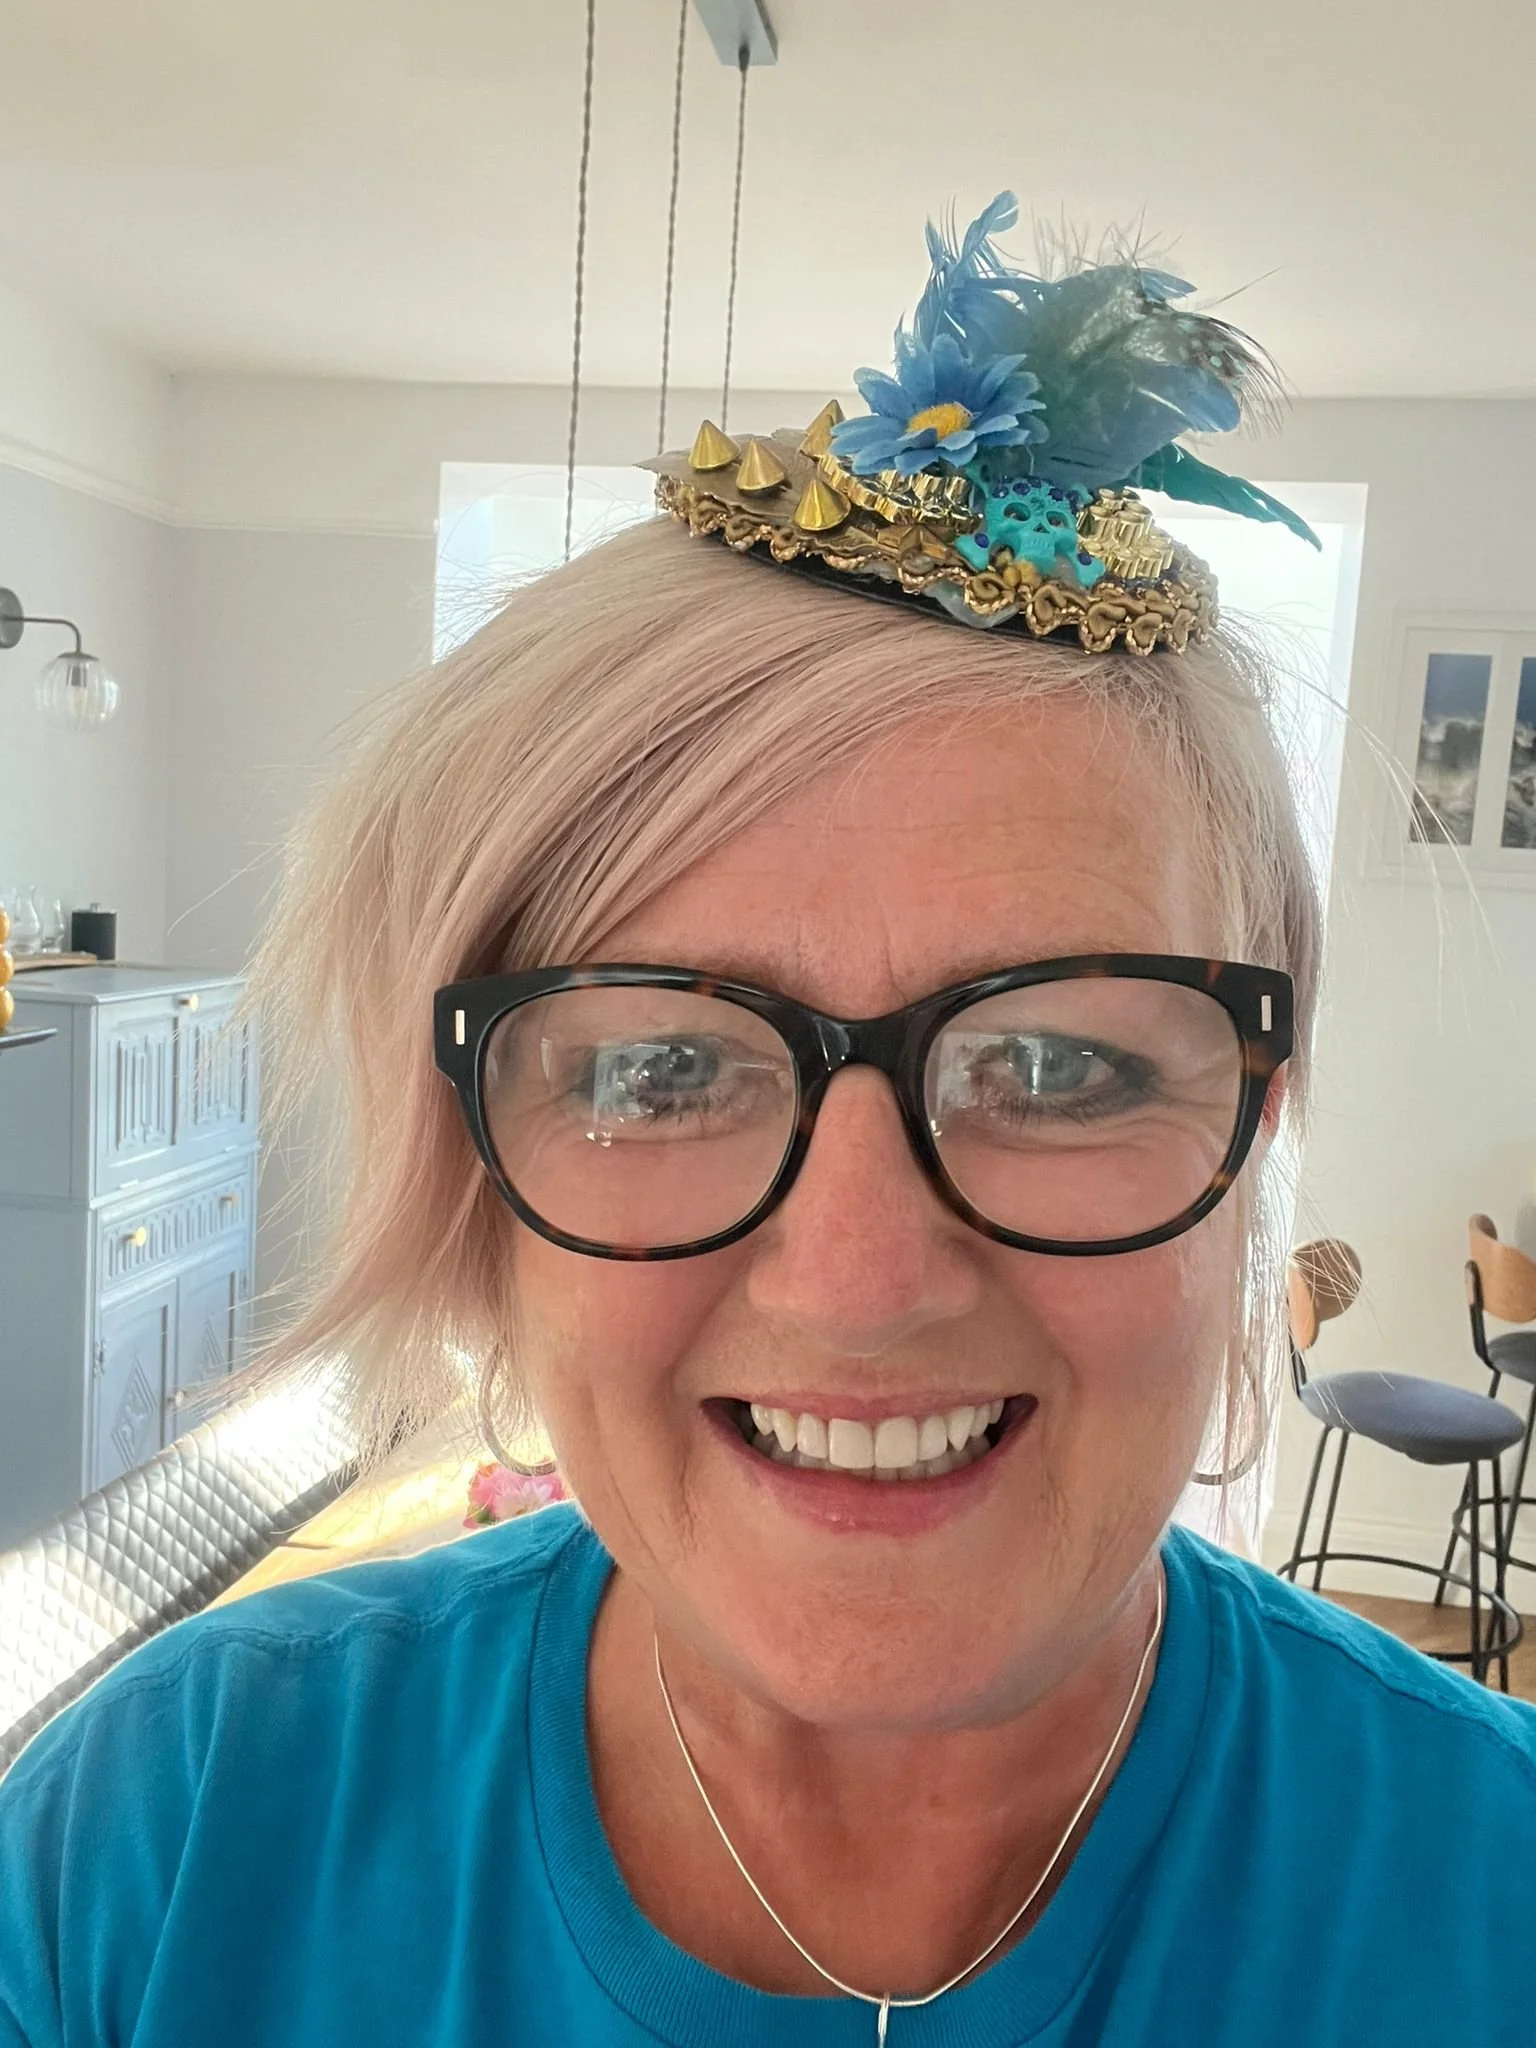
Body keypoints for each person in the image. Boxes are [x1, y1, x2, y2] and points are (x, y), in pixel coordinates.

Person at [3, 195, 1534, 2048]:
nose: (862, 1281)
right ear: (478, 1174)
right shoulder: (157, 1846)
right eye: (655, 1068)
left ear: (1251, 1136)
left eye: (1059, 1066)